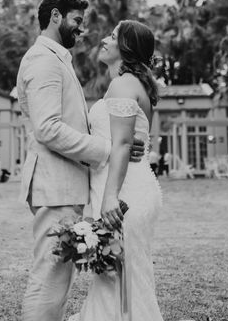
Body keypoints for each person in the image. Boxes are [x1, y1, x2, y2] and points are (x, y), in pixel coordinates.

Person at [16, 0, 145, 321]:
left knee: (57, 278)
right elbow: (48, 127)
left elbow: (73, 122)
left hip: (63, 183)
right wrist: (104, 150)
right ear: (56, 16)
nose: (80, 28)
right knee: (49, 278)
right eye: (76, 20)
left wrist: (123, 141)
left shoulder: (56, 58)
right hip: (54, 184)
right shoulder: (44, 60)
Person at [70, 20, 164, 321]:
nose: (104, 41)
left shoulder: (123, 84)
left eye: (113, 36)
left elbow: (123, 144)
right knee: (121, 275)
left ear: (126, 47)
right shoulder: (131, 84)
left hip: (123, 193)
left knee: (121, 278)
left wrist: (109, 198)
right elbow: (121, 141)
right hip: (128, 184)